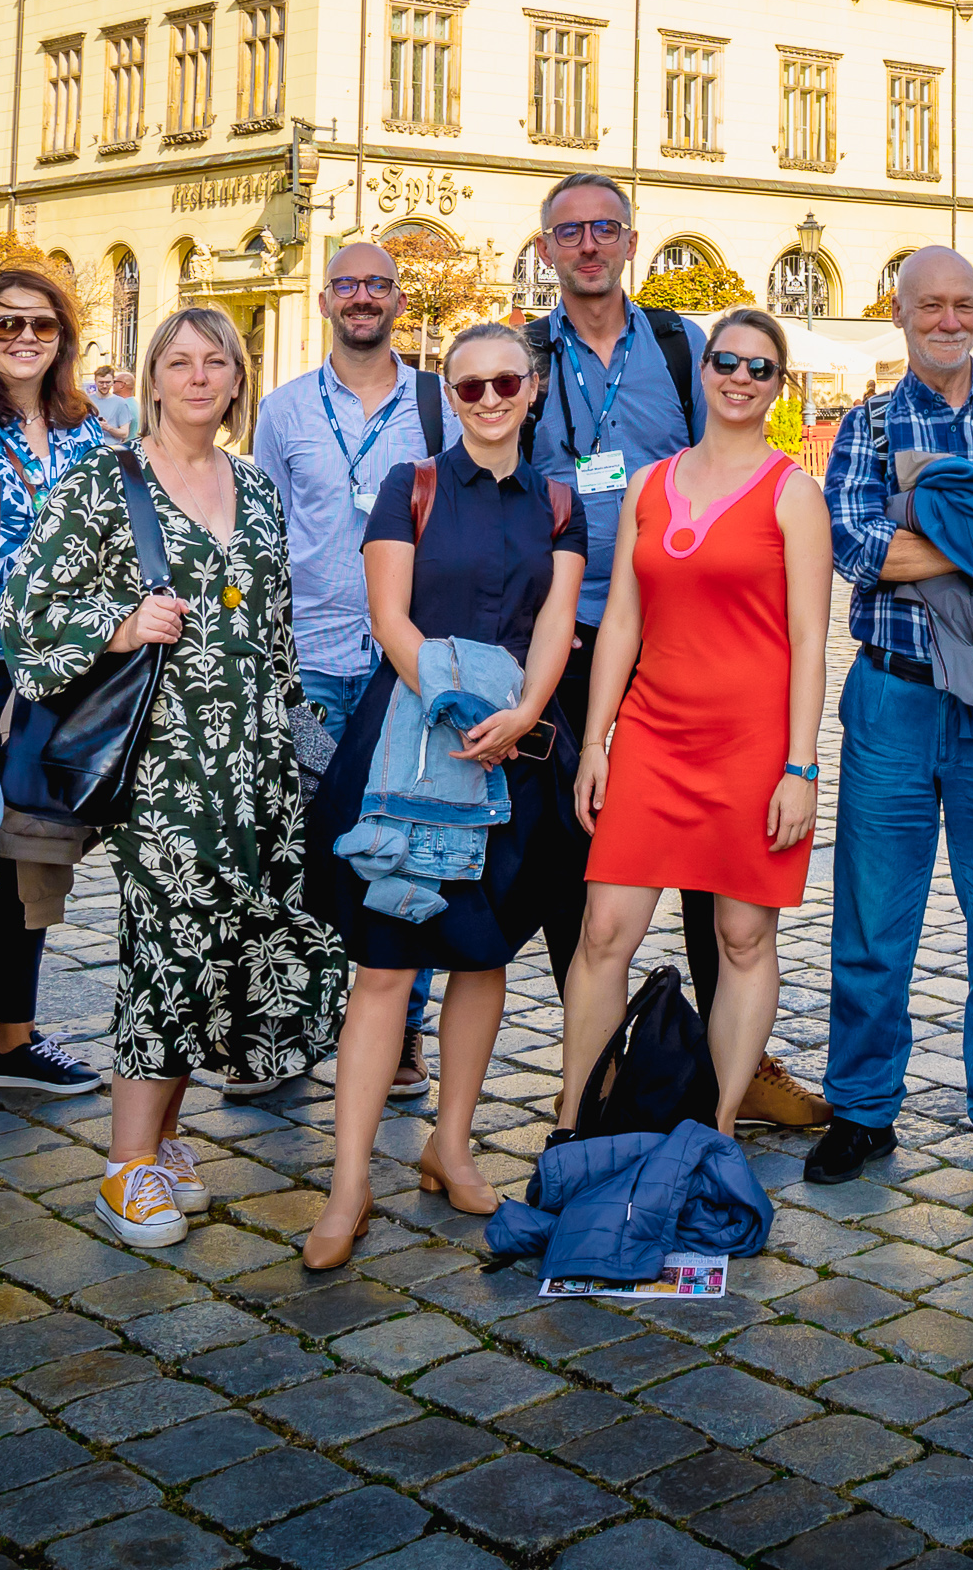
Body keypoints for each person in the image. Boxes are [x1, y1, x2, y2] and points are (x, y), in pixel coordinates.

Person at [6, 307, 343, 1254]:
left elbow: (274, 636)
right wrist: (117, 623)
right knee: (170, 946)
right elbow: (25, 613)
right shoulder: (103, 485)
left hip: (258, 761)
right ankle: (122, 1166)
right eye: (179, 362)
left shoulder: (255, 488)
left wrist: (299, 757)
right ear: (151, 378)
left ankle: (165, 1138)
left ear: (238, 379)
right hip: (167, 761)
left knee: (230, 943)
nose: (198, 377)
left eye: (216, 362)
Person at [528, 175, 827, 1123]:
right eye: (570, 231)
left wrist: (801, 765)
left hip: (737, 715)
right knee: (595, 918)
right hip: (588, 651)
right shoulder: (526, 355)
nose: (737, 379)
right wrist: (601, 733)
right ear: (548, 249)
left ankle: (722, 1107)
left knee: (736, 928)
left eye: (759, 369)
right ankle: (583, 1107)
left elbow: (813, 634)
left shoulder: (678, 347)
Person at [301, 317, 583, 1266]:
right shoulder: (408, 486)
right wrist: (461, 705)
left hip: (511, 753)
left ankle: (448, 1145)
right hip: (411, 746)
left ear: (532, 390)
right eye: (471, 387)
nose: (492, 400)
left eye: (508, 383)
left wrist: (525, 710)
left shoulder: (556, 500)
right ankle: (347, 1186)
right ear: (450, 396)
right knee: (384, 966)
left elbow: (554, 624)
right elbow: (389, 618)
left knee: (482, 954)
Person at [813, 245, 973, 1191]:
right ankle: (863, 1108)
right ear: (901, 313)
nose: (949, 320)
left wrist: (923, 529)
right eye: (931, 306)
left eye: (964, 305)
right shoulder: (867, 423)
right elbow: (853, 544)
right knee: (875, 915)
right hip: (893, 692)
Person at [261, 241, 451, 1101]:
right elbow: (260, 532)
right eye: (348, 284)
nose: (362, 297)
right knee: (297, 850)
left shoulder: (439, 407)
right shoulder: (284, 408)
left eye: (377, 284)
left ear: (398, 300)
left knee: (406, 846)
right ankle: (283, 1029)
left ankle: (404, 1037)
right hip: (313, 661)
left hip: (404, 665)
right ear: (327, 298)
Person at [0, 262, 114, 1101]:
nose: (25, 340)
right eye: (6, 325)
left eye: (41, 325)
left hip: (56, 668)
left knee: (29, 857)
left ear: (64, 338)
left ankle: (15, 1040)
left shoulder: (92, 431)